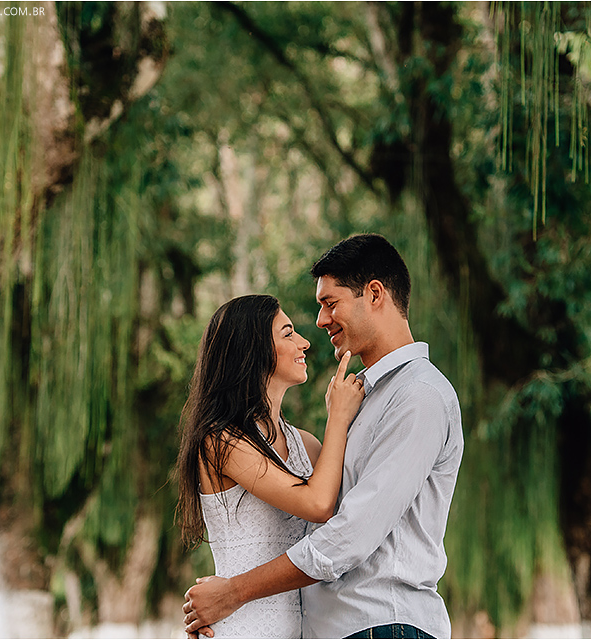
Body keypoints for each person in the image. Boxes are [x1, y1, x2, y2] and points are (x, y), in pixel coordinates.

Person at [183, 234, 464, 639]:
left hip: (384, 623)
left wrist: (233, 593)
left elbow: (349, 534)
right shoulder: (361, 399)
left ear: (374, 294)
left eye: (330, 304)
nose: (318, 324)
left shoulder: (417, 396)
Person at [176, 294, 366, 638]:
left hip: (305, 629)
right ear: (254, 348)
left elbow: (345, 522)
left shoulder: (304, 445)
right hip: (243, 626)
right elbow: (318, 504)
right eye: (289, 333)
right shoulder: (221, 441)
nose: (305, 343)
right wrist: (337, 416)